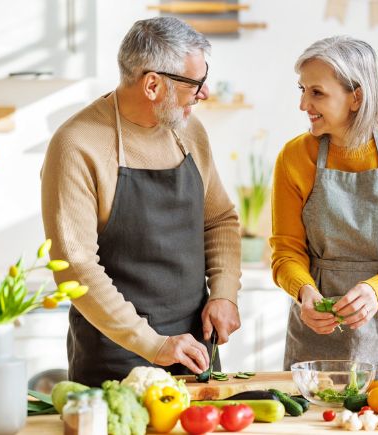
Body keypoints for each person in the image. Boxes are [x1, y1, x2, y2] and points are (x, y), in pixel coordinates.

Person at [41, 17, 241, 386]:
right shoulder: (77, 144)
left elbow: (220, 220)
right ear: (152, 85)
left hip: (194, 352)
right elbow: (75, 267)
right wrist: (153, 344)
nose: (206, 92)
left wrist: (225, 293)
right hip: (113, 362)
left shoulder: (190, 131)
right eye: (194, 83)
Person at [270, 36, 378, 381]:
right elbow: (285, 252)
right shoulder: (294, 157)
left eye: (317, 92)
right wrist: (304, 292)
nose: (303, 104)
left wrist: (376, 291)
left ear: (357, 97)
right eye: (302, 90)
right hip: (317, 337)